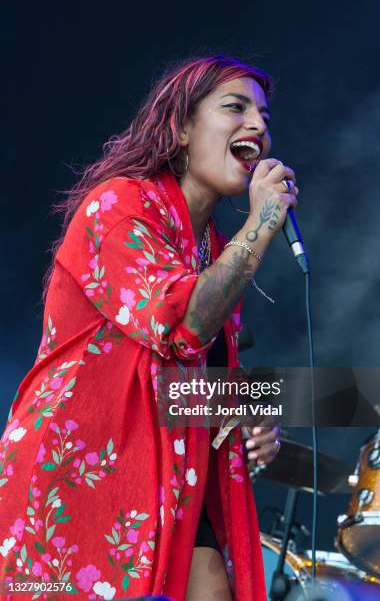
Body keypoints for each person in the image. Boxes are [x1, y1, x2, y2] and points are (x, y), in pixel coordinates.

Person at [0, 55, 298, 600]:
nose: (258, 125)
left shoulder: (208, 248)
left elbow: (179, 385)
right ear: (182, 127)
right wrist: (260, 225)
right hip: (81, 485)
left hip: (171, 480)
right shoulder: (117, 206)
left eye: (264, 115)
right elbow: (180, 326)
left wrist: (251, 413)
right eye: (236, 107)